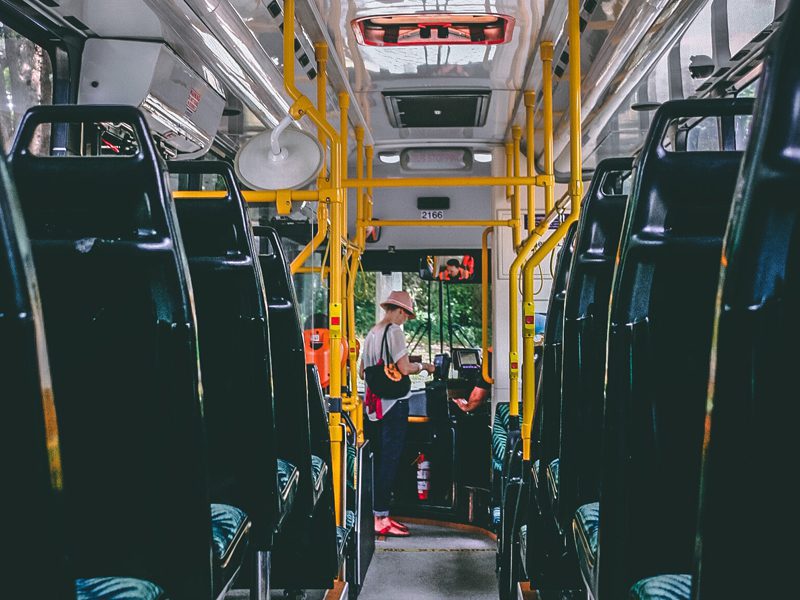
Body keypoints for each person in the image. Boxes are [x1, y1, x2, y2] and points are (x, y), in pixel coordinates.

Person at [359, 290, 435, 537]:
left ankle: (375, 514)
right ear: (400, 311)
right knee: (390, 460)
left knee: (378, 459)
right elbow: (403, 368)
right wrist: (423, 366)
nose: (406, 320)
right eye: (406, 314)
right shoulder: (394, 332)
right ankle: (381, 517)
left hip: (374, 407)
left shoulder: (372, 333)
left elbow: (363, 372)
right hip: (393, 405)